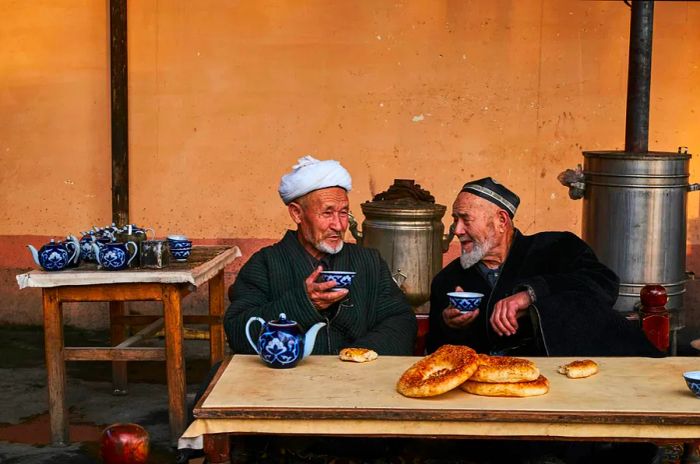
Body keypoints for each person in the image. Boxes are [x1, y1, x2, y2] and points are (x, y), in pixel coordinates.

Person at [427, 176, 660, 358]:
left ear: (501, 221)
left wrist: (530, 295)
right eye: (455, 220)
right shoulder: (448, 281)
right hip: (494, 390)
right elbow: (436, 352)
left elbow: (604, 284)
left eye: (465, 220)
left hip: (573, 377)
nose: (457, 230)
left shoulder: (557, 248)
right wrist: (450, 326)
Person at [225, 155, 417, 356]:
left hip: (358, 378)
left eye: (343, 213)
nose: (339, 225)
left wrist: (357, 355)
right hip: (287, 382)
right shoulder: (265, 264)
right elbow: (239, 331)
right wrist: (304, 303)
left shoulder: (369, 262)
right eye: (327, 213)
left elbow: (401, 321)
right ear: (297, 214)